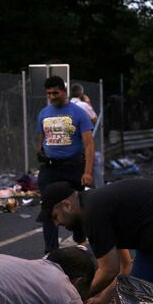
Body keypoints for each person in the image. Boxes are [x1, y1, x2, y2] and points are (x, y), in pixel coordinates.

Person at [36, 75, 95, 253]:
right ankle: (51, 251)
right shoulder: (44, 113)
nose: (52, 97)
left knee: (77, 207)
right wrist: (40, 153)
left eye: (56, 93)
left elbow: (89, 144)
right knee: (48, 207)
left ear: (64, 92)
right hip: (51, 168)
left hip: (73, 167)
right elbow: (40, 139)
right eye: (49, 94)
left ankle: (80, 241)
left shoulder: (78, 113)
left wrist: (87, 172)